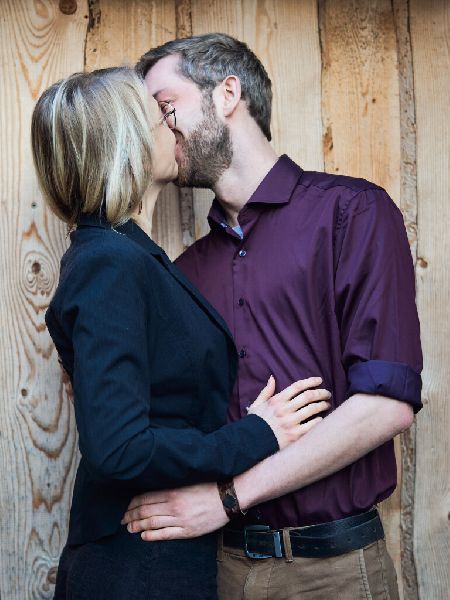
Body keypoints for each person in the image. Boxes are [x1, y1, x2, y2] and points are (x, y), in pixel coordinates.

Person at [122, 33, 423, 599]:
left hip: (334, 573)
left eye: (165, 107)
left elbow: (386, 405)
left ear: (227, 94)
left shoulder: (352, 213)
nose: (157, 130)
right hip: (219, 568)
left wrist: (227, 498)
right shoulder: (183, 274)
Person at [31, 67, 331, 599]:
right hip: (137, 566)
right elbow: (119, 447)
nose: (173, 127)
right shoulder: (109, 263)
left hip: (158, 556)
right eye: (160, 118)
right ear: (128, 145)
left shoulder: (126, 255)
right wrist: (256, 434)